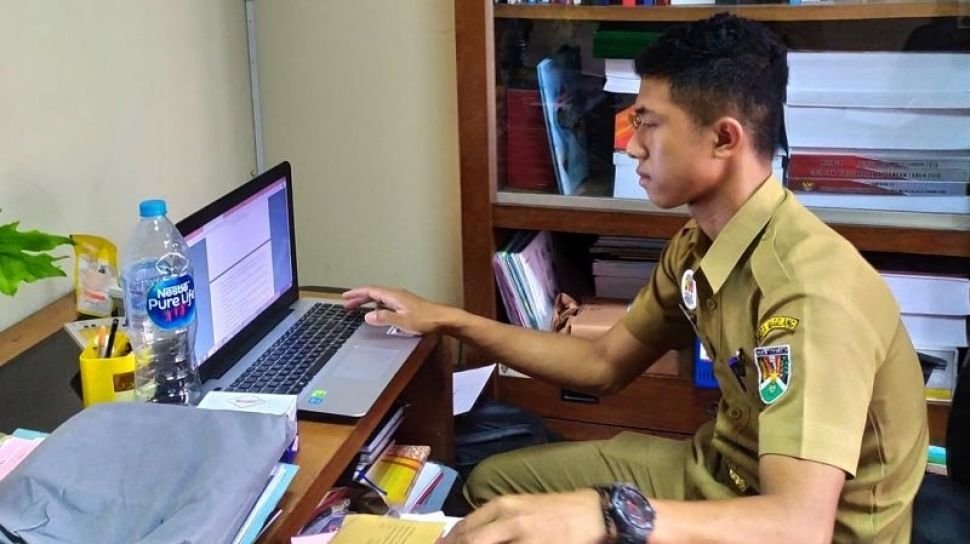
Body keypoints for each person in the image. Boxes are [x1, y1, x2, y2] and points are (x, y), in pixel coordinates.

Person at [343, 13, 928, 543]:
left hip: (788, 524)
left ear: (724, 138)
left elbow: (797, 527)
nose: (631, 147)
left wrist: (607, 514)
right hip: (719, 473)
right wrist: (450, 319)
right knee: (493, 489)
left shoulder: (810, 293)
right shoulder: (702, 244)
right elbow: (601, 364)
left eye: (649, 124)